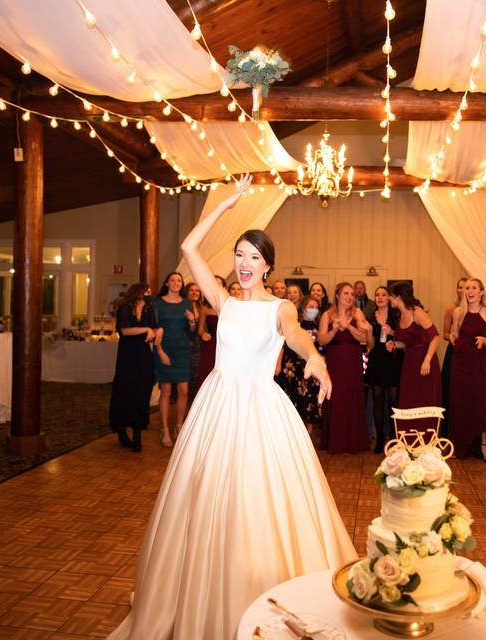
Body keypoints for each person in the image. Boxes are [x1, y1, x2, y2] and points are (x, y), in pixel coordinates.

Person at [108, 175, 355, 640]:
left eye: (253, 258)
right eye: (240, 255)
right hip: (217, 409)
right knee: (206, 501)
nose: (244, 264)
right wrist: (224, 206)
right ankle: (202, 595)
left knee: (259, 502)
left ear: (267, 267)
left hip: (260, 410)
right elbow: (187, 246)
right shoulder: (222, 299)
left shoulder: (279, 307)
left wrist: (317, 359)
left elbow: (298, 338)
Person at [449, 278, 486, 463]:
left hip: (478, 363)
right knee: (460, 402)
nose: (470, 291)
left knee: (480, 404)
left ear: (481, 292)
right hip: (460, 362)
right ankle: (458, 444)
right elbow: (454, 334)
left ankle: (484, 447)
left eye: (474, 288)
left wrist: (484, 340)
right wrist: (453, 336)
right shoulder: (458, 313)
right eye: (467, 288)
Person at [318, 282, 372, 454]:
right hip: (335, 363)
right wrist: (334, 330)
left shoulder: (357, 313)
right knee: (336, 398)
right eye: (346, 293)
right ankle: (336, 441)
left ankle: (353, 442)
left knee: (353, 397)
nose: (350, 297)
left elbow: (364, 339)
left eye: (351, 294)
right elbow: (321, 341)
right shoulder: (327, 315)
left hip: (353, 362)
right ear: (338, 296)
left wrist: (348, 326)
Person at [388, 281, 441, 433]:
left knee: (423, 401)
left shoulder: (417, 312)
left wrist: (427, 360)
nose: (389, 300)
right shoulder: (401, 315)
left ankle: (426, 441)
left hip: (424, 363)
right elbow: (410, 343)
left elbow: (435, 337)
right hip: (409, 363)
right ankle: (410, 440)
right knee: (408, 401)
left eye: (391, 297)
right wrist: (395, 345)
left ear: (398, 297)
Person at [109, 283, 156, 452]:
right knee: (125, 391)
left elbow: (154, 329)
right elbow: (125, 331)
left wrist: (153, 332)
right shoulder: (124, 308)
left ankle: (137, 433)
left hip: (143, 354)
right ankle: (121, 430)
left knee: (142, 391)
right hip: (127, 355)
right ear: (138, 292)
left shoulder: (149, 309)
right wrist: (146, 329)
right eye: (147, 291)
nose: (149, 295)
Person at [152, 271, 196, 447]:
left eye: (179, 280)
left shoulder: (186, 303)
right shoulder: (158, 303)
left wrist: (192, 321)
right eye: (173, 280)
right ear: (167, 283)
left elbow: (192, 330)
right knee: (166, 390)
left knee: (184, 390)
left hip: (182, 350)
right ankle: (165, 429)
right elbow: (155, 330)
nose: (176, 282)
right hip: (164, 349)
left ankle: (179, 425)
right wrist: (160, 351)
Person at [275, 296, 323, 436]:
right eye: (310, 307)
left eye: (315, 307)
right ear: (303, 308)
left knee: (309, 397)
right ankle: (293, 429)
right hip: (292, 366)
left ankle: (309, 430)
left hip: (309, 367)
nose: (313, 310)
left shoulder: (317, 327)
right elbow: (282, 344)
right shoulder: (295, 324)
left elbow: (320, 348)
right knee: (292, 395)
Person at [365, 285, 401, 453]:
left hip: (393, 360)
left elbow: (404, 338)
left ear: (389, 298)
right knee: (378, 401)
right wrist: (369, 332)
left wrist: (392, 331)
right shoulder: (371, 317)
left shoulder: (396, 315)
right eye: (377, 295)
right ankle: (380, 439)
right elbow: (370, 344)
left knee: (394, 401)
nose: (380, 297)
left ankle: (394, 439)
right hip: (377, 360)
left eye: (383, 295)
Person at [441, 277, 469, 438]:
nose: (463, 290)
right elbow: (444, 332)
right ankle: (448, 428)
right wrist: (450, 335)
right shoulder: (451, 308)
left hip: (469, 353)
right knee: (450, 388)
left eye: (466, 287)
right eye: (460, 287)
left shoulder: (476, 309)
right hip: (454, 351)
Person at [196, 275, 225, 389]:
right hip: (211, 345)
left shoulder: (230, 304)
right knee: (208, 376)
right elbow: (200, 329)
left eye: (219, 284)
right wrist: (203, 334)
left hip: (227, 346)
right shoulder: (205, 307)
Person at [184, 281, 204, 401]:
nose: (194, 293)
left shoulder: (202, 307)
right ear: (186, 292)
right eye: (191, 290)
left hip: (200, 345)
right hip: (186, 345)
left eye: (197, 291)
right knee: (188, 376)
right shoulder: (183, 307)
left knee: (197, 374)